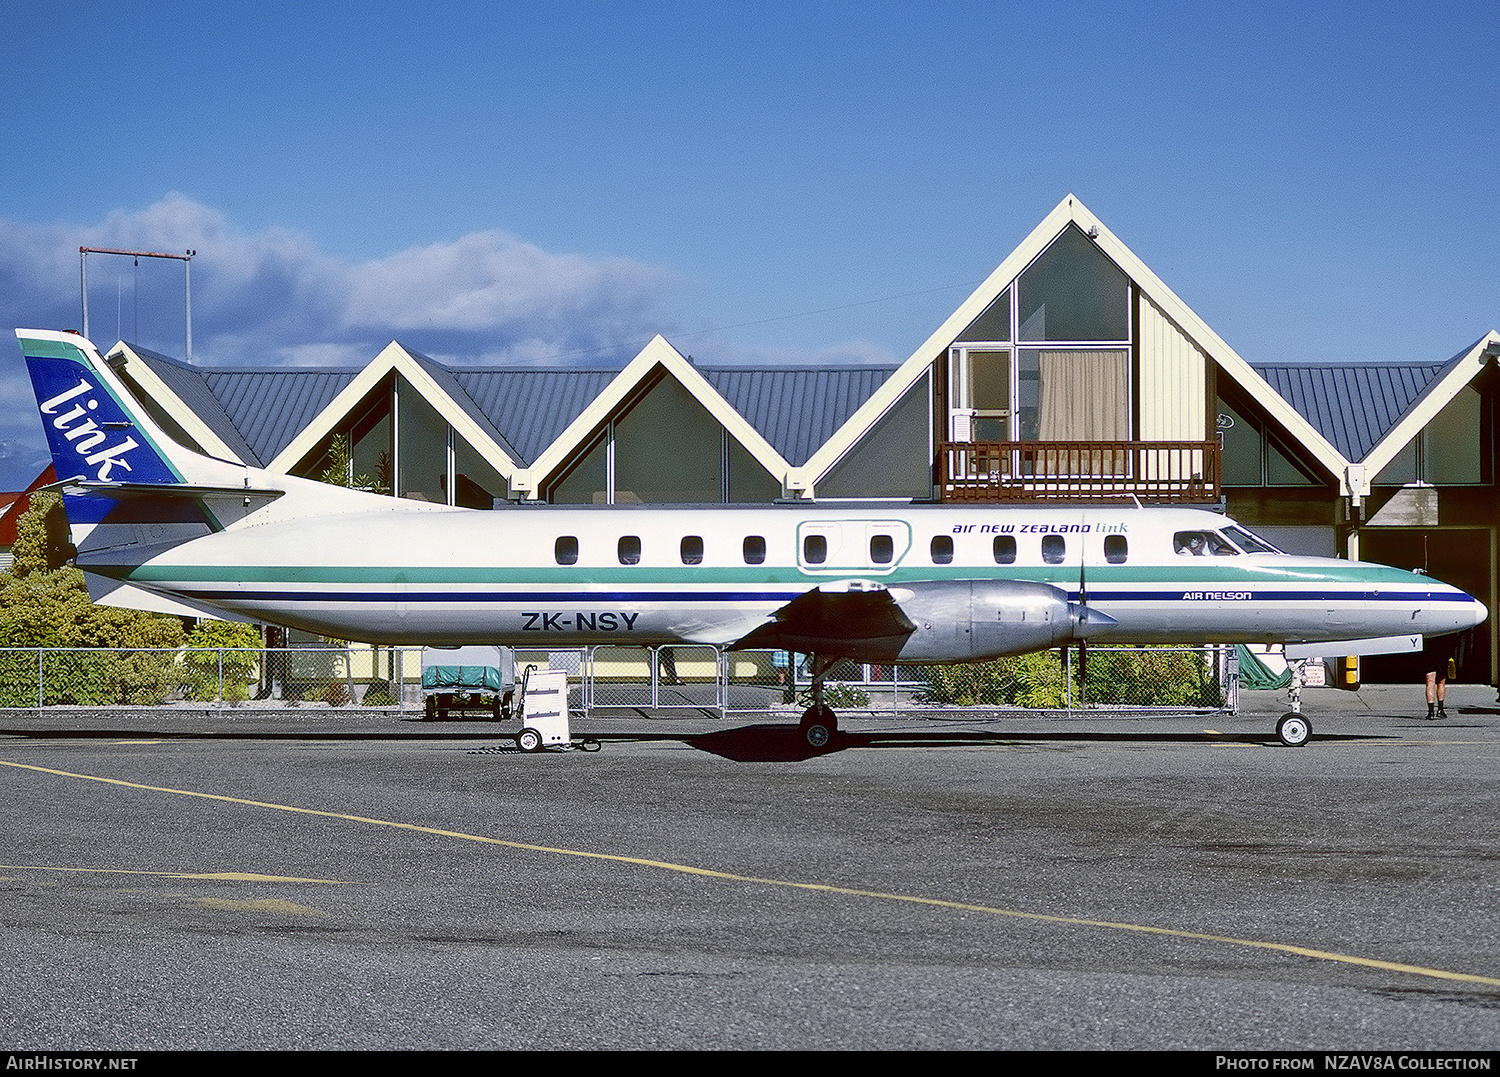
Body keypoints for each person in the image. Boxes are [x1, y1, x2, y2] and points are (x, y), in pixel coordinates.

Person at [1421, 633, 1457, 719]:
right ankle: (1440, 709)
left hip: (1429, 653)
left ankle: (1431, 712)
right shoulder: (1444, 630)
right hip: (1442, 654)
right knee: (1441, 682)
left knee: (1430, 682)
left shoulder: (1430, 631)